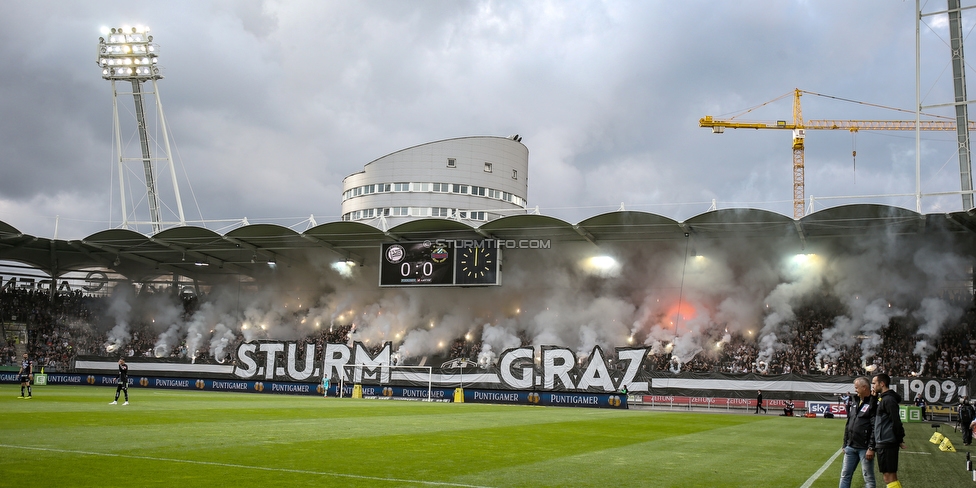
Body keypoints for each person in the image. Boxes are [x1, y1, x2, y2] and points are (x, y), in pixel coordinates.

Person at [840, 377, 877, 488]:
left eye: (856, 388)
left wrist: (871, 447)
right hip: (850, 446)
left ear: (864, 387)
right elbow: (849, 423)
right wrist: (845, 443)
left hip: (864, 448)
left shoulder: (873, 403)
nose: (855, 390)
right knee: (845, 475)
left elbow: (875, 426)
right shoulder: (855, 401)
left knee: (868, 478)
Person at [872, 373, 905, 488]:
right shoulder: (883, 399)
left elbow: (896, 421)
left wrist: (899, 438)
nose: (873, 386)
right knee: (888, 476)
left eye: (874, 383)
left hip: (887, 441)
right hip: (884, 441)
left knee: (889, 477)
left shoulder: (889, 400)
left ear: (882, 384)